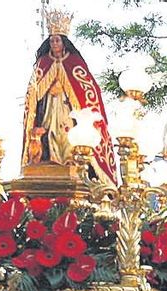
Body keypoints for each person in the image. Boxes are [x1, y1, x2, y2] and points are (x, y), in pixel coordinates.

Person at [21, 10, 118, 184]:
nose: (54, 43)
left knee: (67, 134)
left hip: (68, 109)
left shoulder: (75, 62)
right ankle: (51, 160)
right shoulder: (43, 62)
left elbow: (89, 92)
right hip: (49, 107)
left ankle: (69, 161)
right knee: (50, 133)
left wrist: (67, 85)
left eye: (57, 40)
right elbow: (33, 93)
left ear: (64, 42)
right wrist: (47, 85)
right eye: (51, 40)